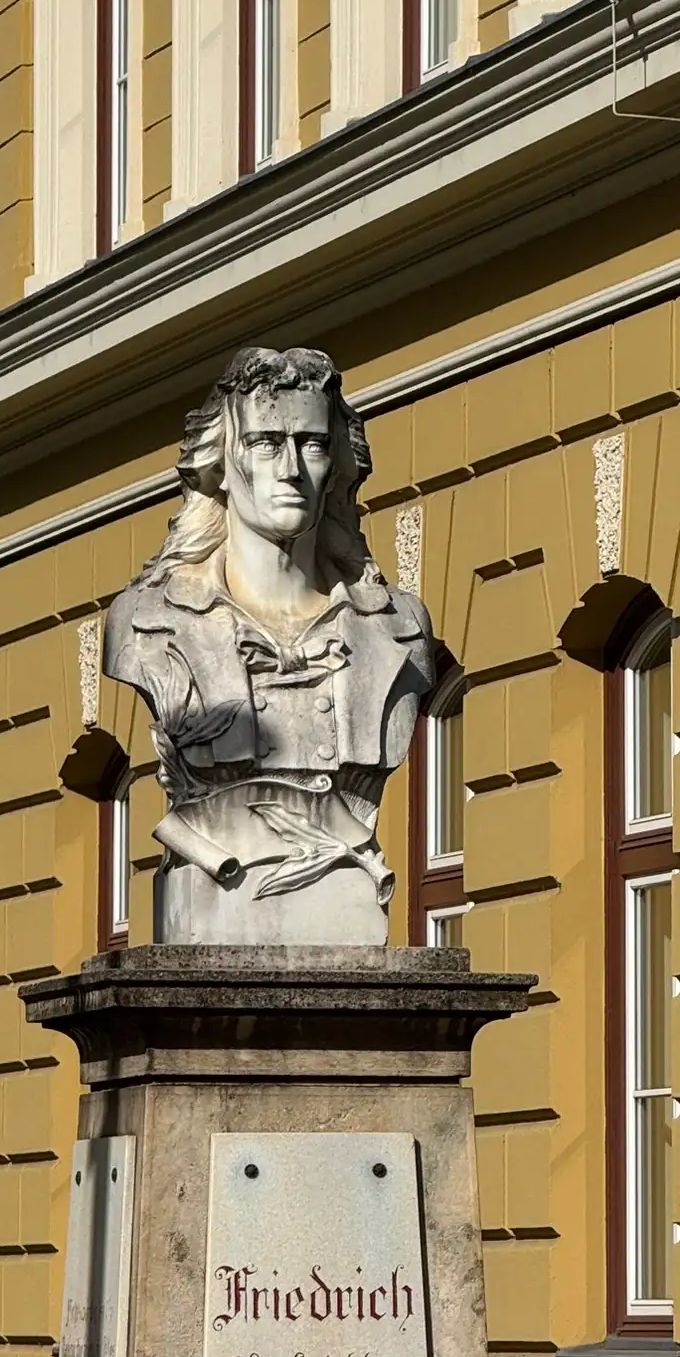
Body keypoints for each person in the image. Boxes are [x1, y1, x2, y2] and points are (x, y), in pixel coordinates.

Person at [104, 345, 434, 945]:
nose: (290, 469)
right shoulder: (149, 624)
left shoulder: (396, 629)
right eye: (265, 443)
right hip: (214, 885)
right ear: (220, 463)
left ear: (336, 465)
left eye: (312, 445)